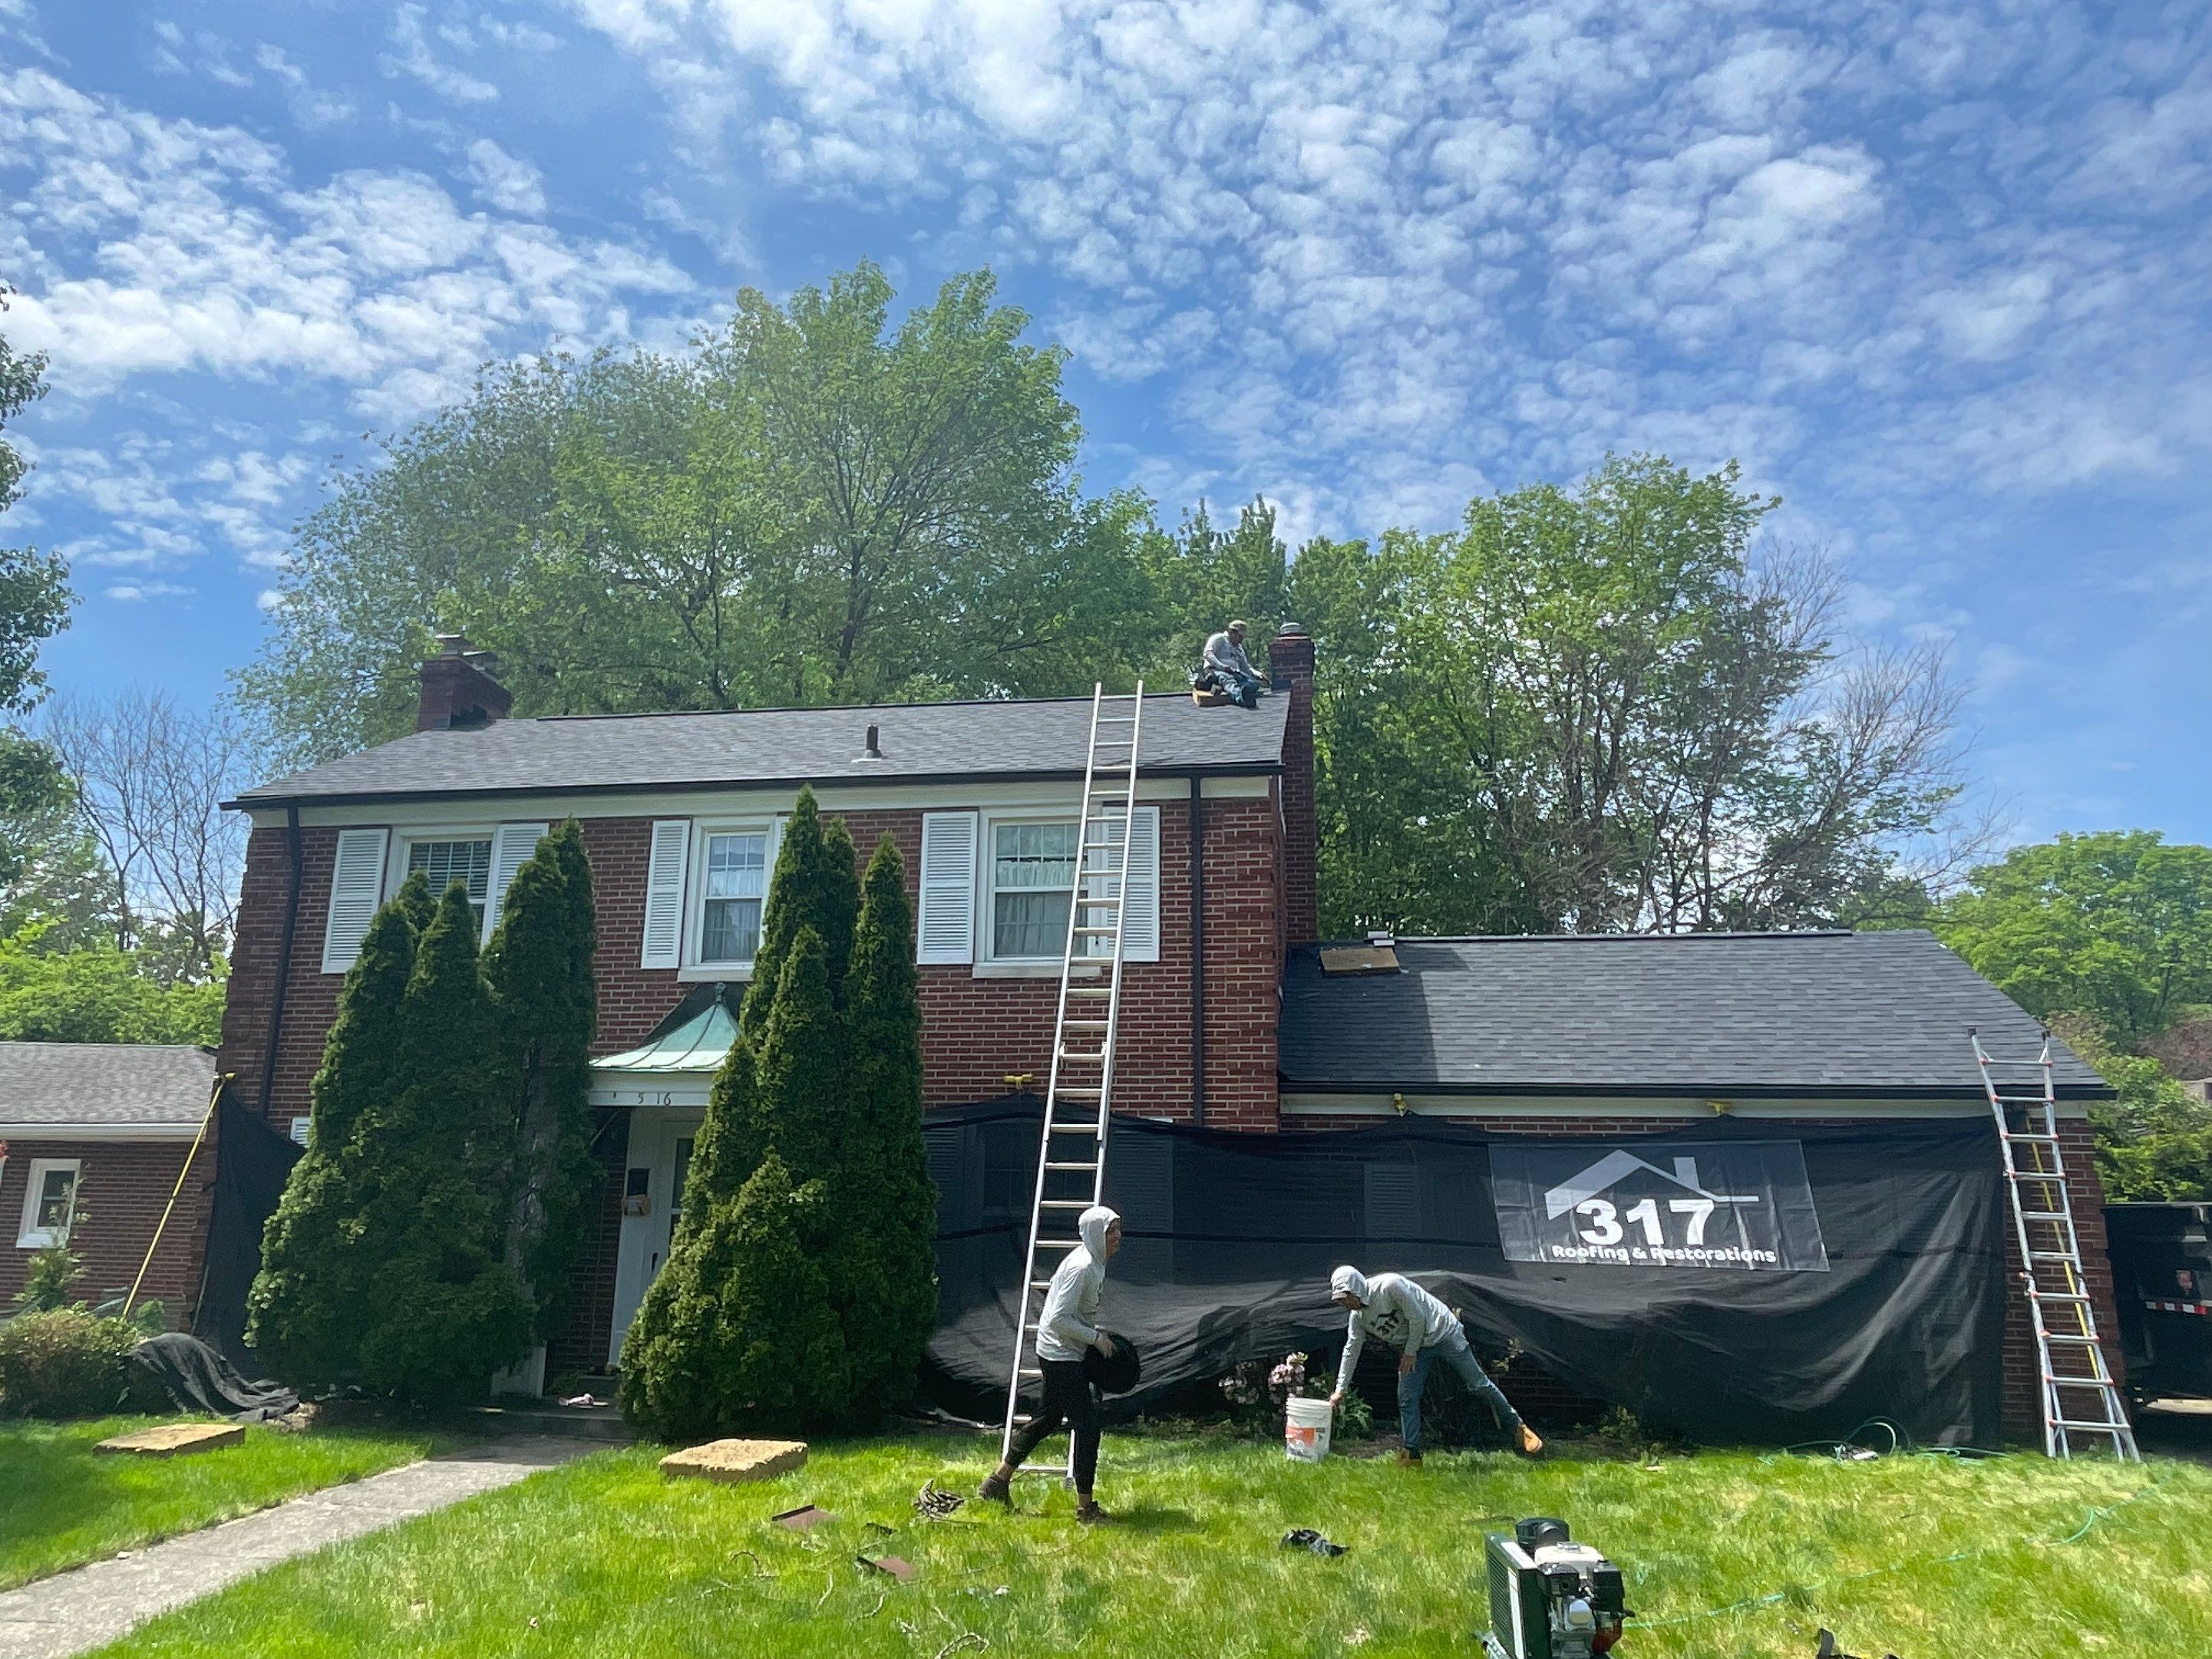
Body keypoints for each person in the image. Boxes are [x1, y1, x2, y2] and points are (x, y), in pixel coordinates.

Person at [979, 1205, 1122, 1522]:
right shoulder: (1082, 1267)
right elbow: (1057, 1318)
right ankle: (1086, 1509)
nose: (1117, 1237)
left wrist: (1090, 1336)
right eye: (1110, 1232)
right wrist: (1095, 1338)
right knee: (1087, 1427)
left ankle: (996, 1482)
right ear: (1094, 1235)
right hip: (1060, 1355)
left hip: (1068, 1351)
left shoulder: (1095, 1261)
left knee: (1047, 1419)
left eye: (1117, 1231)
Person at [1326, 1265, 1542, 1464]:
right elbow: (1351, 1348)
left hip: (1443, 1332)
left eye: (1345, 1297)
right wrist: (1340, 1390)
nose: (1344, 1304)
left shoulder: (1389, 1286)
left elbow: (1418, 1319)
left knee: (1478, 1384)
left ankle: (1519, 1428)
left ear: (1356, 1288)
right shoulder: (1358, 1317)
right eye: (1339, 1300)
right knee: (1407, 1398)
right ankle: (1412, 1454)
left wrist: (1409, 1353)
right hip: (1416, 1348)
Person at [1200, 620, 1264, 708]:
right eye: (1240, 636)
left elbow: (1245, 667)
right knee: (1228, 679)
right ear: (1232, 633)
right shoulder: (1219, 638)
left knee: (1253, 684)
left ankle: (1228, 689)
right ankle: (1242, 698)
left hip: (1234, 672)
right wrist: (1222, 666)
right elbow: (1208, 654)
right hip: (1215, 671)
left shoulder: (1239, 648)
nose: (1242, 639)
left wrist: (1258, 674)